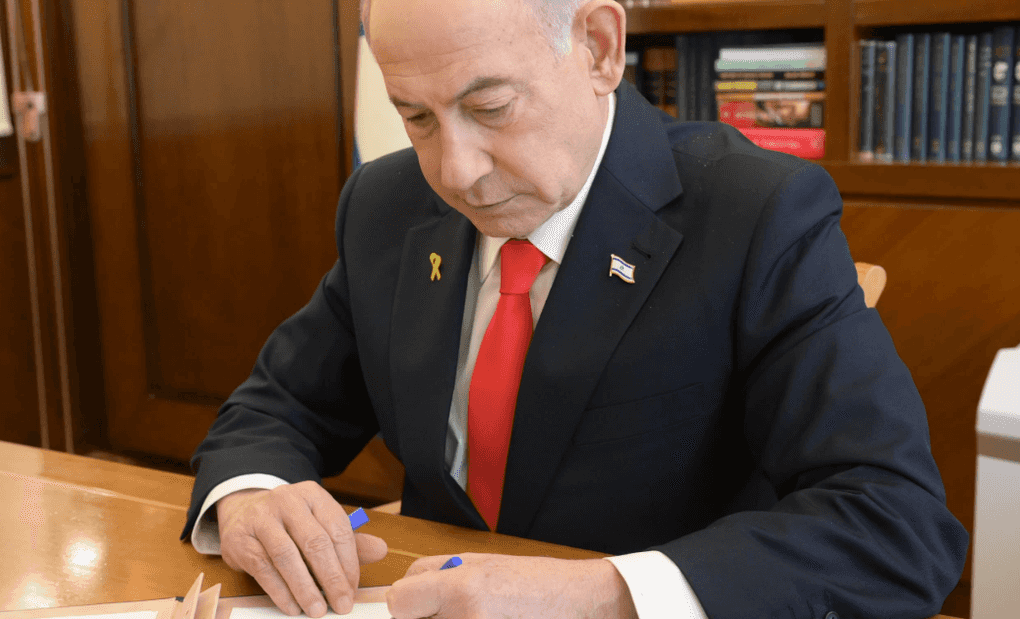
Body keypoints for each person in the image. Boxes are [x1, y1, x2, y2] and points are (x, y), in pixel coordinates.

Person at [181, 0, 968, 617]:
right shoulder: (386, 205)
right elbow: (278, 406)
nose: (455, 172)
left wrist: (602, 596)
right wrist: (250, 496)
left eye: (491, 107)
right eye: (415, 117)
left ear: (598, 47)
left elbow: (894, 524)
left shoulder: (756, 216)